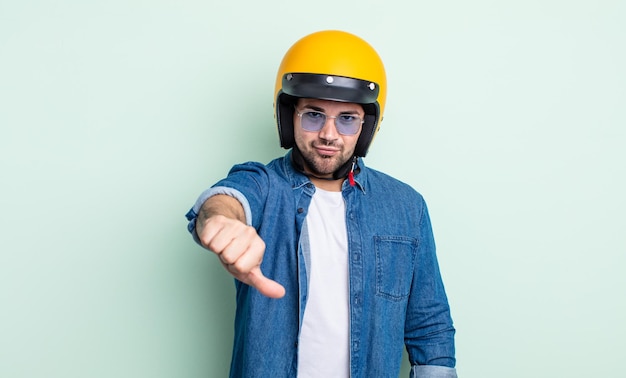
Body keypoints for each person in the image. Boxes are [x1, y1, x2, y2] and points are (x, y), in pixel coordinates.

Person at [185, 30, 457, 378]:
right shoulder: (265, 186)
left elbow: (429, 322)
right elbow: (227, 199)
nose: (329, 134)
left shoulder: (405, 206)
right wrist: (221, 220)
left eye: (347, 118)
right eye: (313, 114)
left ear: (367, 125)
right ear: (289, 116)